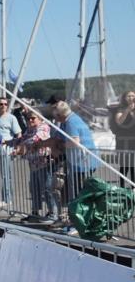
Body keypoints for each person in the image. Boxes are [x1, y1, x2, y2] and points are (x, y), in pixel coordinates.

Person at [50, 100, 99, 234]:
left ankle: (79, 224)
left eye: (56, 116)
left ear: (60, 115)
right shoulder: (72, 119)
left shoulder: (71, 122)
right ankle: (77, 222)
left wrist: (61, 146)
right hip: (82, 162)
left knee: (78, 194)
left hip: (83, 163)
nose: (55, 118)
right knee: (78, 193)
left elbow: (74, 142)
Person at [8, 112, 58, 224]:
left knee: (47, 189)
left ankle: (53, 214)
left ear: (39, 118)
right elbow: (22, 139)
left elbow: (34, 139)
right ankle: (35, 213)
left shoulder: (44, 127)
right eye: (28, 118)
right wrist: (8, 142)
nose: (30, 120)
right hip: (33, 164)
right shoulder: (29, 129)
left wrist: (21, 146)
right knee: (34, 188)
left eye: (33, 118)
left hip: (44, 163)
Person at [110, 90, 135, 188]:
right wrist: (127, 110)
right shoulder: (120, 109)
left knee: (134, 166)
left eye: (133, 96)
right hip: (123, 141)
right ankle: (122, 187)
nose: (131, 98)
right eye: (129, 96)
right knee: (124, 165)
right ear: (124, 98)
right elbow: (119, 122)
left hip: (133, 141)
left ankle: (133, 188)